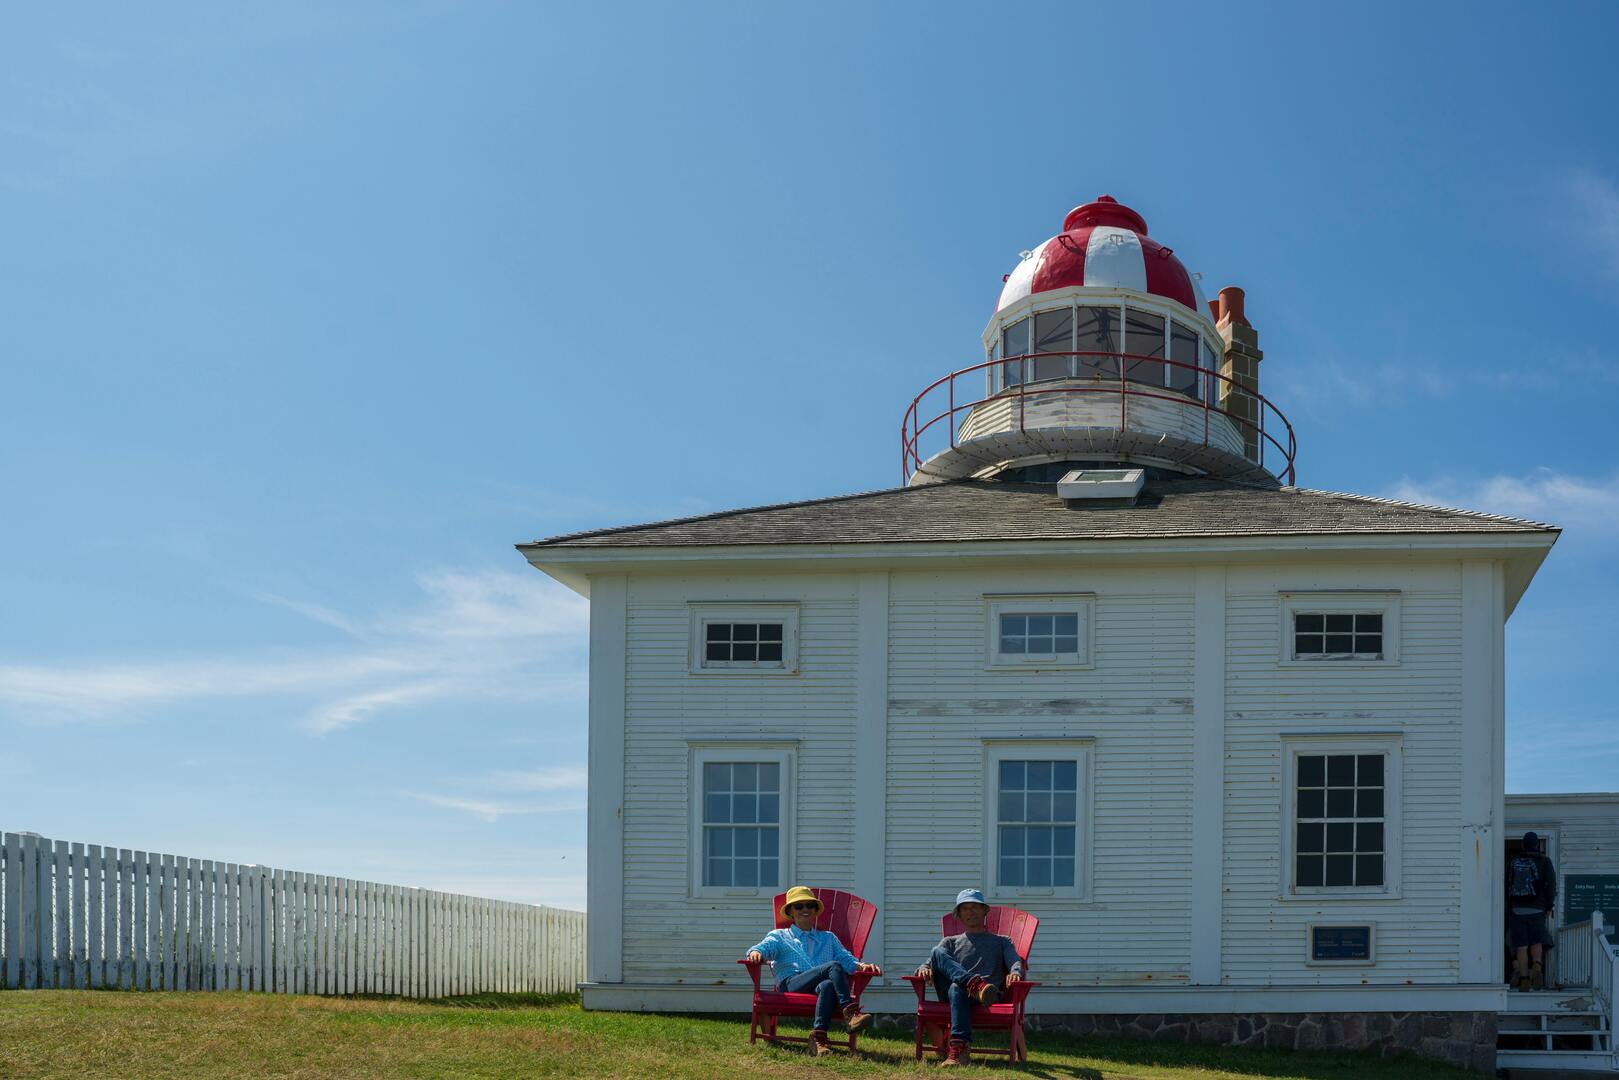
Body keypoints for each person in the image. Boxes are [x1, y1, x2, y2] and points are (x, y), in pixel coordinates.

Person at [744, 885, 880, 1057]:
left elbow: (847, 960)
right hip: (791, 984)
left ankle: (818, 1040)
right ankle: (851, 1013)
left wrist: (862, 966)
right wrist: (756, 953)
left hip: (817, 988)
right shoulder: (779, 936)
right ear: (791, 912)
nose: (805, 909)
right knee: (833, 966)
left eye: (810, 905)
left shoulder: (828, 938)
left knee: (828, 985)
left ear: (816, 911)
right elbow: (762, 948)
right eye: (799, 906)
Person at [914, 888, 1025, 1067]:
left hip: (987, 995)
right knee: (937, 952)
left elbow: (1015, 962)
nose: (970, 911)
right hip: (952, 996)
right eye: (965, 908)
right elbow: (929, 962)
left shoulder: (1002, 941)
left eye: (975, 907)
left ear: (984, 911)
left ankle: (959, 1051)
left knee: (957, 987)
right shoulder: (950, 941)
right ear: (959, 914)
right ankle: (973, 984)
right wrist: (924, 969)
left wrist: (1015, 973)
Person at [1506, 831, 1557, 991]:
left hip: (1517, 909)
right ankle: (1536, 966)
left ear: (1523, 845)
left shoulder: (1513, 861)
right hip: (1537, 908)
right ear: (1536, 845)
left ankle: (1524, 979)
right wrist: (1549, 906)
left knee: (1520, 946)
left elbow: (1506, 885)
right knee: (1536, 942)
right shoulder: (1544, 861)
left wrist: (1510, 908)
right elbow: (1551, 885)